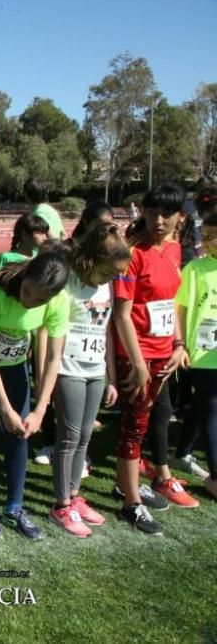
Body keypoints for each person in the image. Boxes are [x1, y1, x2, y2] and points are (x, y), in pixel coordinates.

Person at [0, 251, 71, 540]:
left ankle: (15, 505)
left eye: (39, 300)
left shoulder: (59, 300)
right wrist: (5, 408)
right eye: (27, 292)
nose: (29, 302)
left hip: (15, 362)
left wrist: (41, 409)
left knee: (21, 430)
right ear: (25, 277)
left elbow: (54, 358)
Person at [113, 183, 198, 537]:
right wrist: (136, 361)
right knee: (135, 425)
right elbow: (121, 313)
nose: (158, 220)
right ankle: (131, 503)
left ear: (180, 217)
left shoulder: (176, 250)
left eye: (166, 214)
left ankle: (125, 486)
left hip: (165, 355)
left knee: (145, 423)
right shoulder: (131, 253)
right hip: (138, 356)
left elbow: (173, 304)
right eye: (151, 212)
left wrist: (178, 344)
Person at [48, 225, 131, 537]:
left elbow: (105, 332)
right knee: (68, 436)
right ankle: (60, 504)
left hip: (95, 371)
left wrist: (109, 376)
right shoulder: (68, 284)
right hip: (68, 369)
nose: (112, 279)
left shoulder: (105, 288)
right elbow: (50, 329)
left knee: (84, 436)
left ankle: (73, 494)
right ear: (90, 261)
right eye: (108, 271)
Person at [176, 212, 217, 500]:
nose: (211, 241)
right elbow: (180, 309)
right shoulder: (195, 269)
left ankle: (182, 452)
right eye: (209, 235)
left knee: (204, 406)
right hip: (202, 356)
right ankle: (215, 476)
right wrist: (180, 344)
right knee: (213, 408)